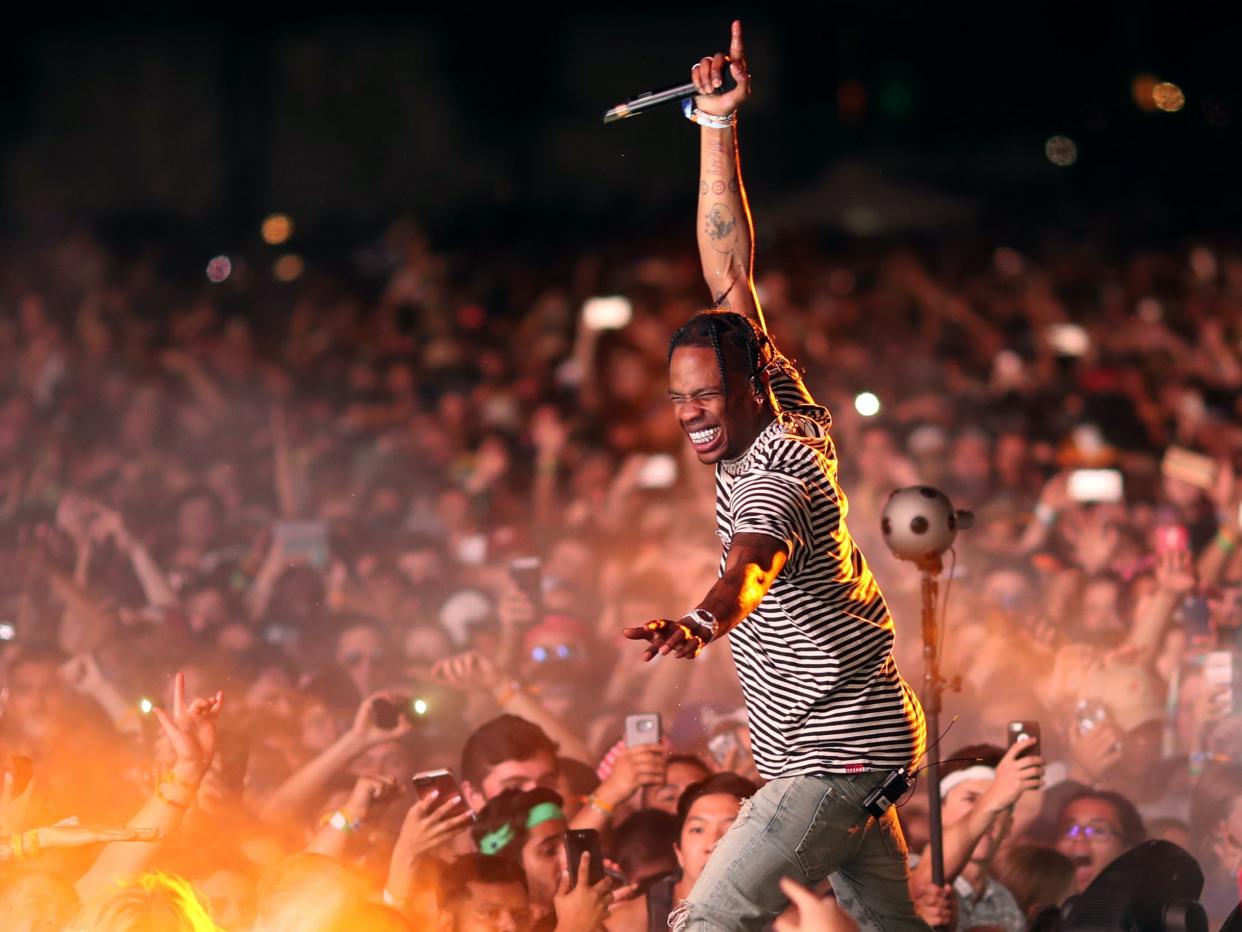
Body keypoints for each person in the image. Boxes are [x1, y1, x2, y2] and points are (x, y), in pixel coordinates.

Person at [622, 21, 927, 931]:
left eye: (708, 396)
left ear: (750, 388)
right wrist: (715, 127)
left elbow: (750, 563)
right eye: (678, 401)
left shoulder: (782, 463)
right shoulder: (784, 402)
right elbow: (729, 273)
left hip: (832, 756)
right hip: (863, 738)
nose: (692, 415)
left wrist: (701, 620)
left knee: (703, 924)